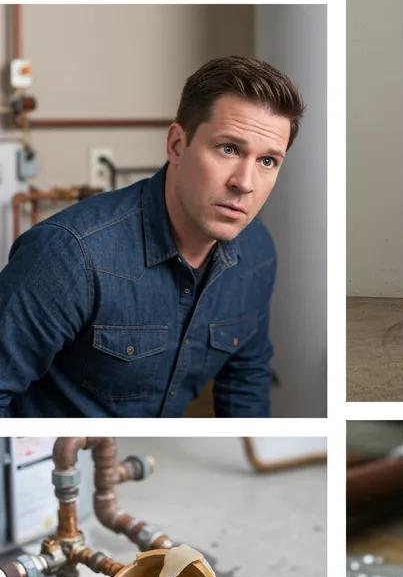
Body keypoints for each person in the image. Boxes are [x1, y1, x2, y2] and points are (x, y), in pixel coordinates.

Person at [0, 55, 306, 417]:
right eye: (229, 149)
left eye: (267, 161)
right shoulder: (69, 255)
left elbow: (246, 380)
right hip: (57, 466)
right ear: (177, 144)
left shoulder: (257, 252)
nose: (245, 183)